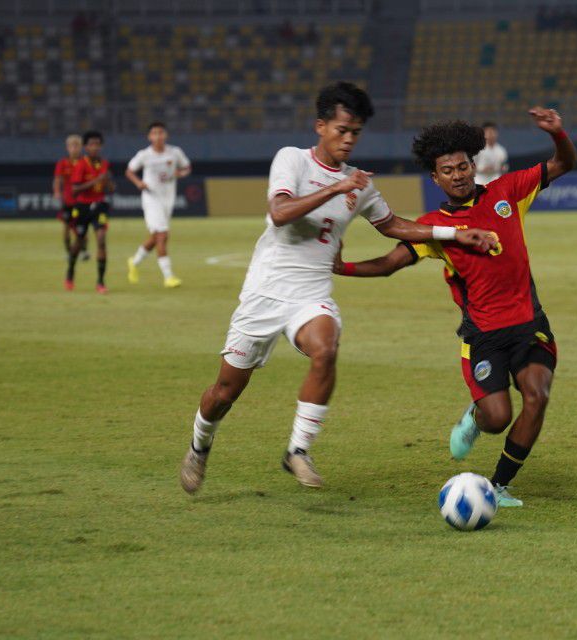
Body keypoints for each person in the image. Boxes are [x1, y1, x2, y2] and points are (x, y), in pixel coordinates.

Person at [179, 82, 496, 494]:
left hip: (310, 295)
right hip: (265, 292)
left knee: (326, 347)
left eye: (356, 133)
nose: (348, 139)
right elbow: (279, 213)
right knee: (224, 392)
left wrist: (454, 235)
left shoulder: (359, 183)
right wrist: (335, 187)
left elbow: (394, 226)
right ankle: (199, 447)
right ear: (321, 126)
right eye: (342, 130)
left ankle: (298, 451)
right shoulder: (292, 160)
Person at [334, 108, 577, 507]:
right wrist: (341, 267)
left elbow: (564, 162)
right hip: (483, 336)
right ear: (435, 178)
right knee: (497, 418)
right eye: (448, 170)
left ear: (473, 165)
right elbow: (390, 264)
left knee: (537, 395)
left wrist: (557, 133)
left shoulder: (507, 191)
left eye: (463, 166)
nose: (458, 175)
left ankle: (498, 486)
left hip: (528, 325)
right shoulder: (434, 227)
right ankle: (476, 417)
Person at [125, 122, 192, 289]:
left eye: (161, 132)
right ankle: (168, 277)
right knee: (162, 235)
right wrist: (138, 182)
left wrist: (180, 173)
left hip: (168, 198)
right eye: (154, 133)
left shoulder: (175, 152)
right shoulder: (144, 155)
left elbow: (187, 167)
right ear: (149, 137)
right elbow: (129, 171)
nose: (158, 136)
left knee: (156, 237)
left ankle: (134, 261)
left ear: (166, 135)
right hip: (151, 197)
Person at [67, 130, 113, 293]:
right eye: (91, 144)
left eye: (97, 144)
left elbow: (110, 188)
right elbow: (74, 190)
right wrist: (95, 181)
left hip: (99, 204)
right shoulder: (80, 165)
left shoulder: (105, 164)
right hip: (82, 207)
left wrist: (108, 182)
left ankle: (100, 282)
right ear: (86, 147)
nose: (95, 147)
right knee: (79, 242)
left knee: (101, 239)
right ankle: (70, 272)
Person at [52, 134, 88, 261]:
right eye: (71, 146)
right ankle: (68, 252)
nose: (74, 148)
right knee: (67, 228)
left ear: (81, 147)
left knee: (82, 228)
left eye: (76, 145)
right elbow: (57, 179)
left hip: (82, 200)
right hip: (68, 201)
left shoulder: (85, 162)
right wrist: (57, 191)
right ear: (67, 148)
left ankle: (84, 251)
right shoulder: (62, 163)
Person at [473, 121, 508, 185]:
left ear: (497, 133)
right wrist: (482, 170)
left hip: (496, 181)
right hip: (479, 181)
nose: (491, 134)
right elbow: (470, 167)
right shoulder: (477, 149)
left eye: (493, 131)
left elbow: (505, 167)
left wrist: (499, 168)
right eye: (488, 131)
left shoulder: (501, 150)